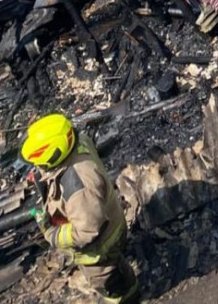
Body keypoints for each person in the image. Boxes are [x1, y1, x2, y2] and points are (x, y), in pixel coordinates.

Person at [21, 114, 139, 304]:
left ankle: (126, 296)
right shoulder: (78, 141)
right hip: (109, 216)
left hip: (100, 248)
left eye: (41, 163)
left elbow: (87, 231)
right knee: (114, 268)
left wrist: (52, 234)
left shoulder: (76, 189)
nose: (37, 166)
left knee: (109, 282)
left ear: (55, 155)